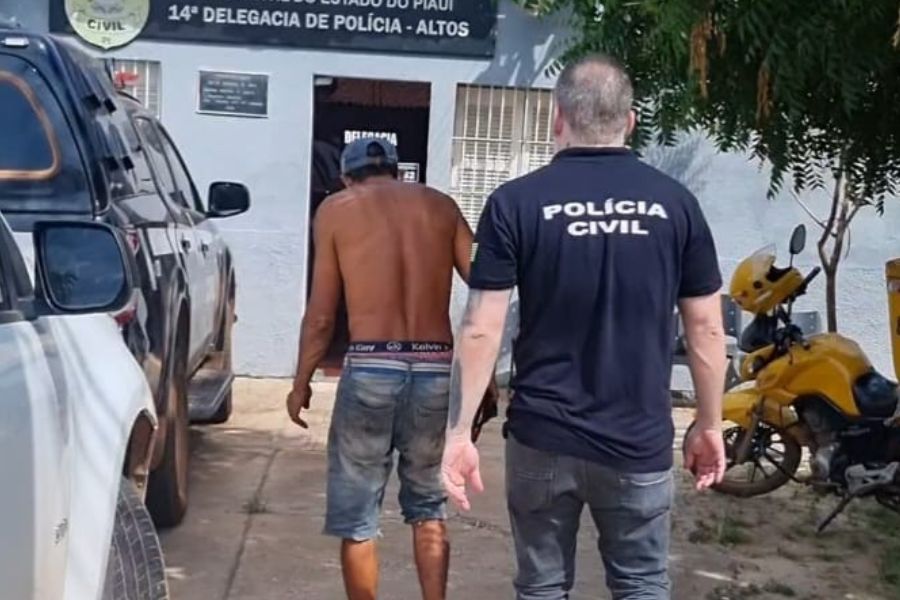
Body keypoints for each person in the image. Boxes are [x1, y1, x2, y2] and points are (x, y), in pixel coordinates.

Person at [441, 54, 728, 600]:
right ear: (631, 121)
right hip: (638, 439)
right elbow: (707, 330)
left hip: (542, 437)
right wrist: (709, 423)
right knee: (642, 585)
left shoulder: (514, 203)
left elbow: (481, 328)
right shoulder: (676, 205)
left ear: (558, 119)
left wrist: (459, 433)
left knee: (542, 587)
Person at [286, 137, 478, 600]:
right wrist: (480, 372)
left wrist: (301, 383)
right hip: (435, 368)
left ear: (346, 178)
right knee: (429, 505)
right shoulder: (442, 207)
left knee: (358, 517)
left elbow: (322, 315)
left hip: (372, 365)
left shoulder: (336, 210)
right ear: (396, 171)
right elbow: (486, 283)